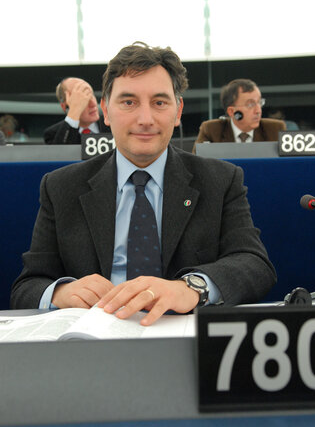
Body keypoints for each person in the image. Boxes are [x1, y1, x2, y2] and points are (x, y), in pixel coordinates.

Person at [11, 42, 276, 326]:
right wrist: (61, 293)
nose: (145, 119)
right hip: (91, 342)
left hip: (187, 337)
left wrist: (190, 288)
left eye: (159, 103)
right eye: (129, 102)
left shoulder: (221, 180)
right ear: (106, 110)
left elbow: (255, 265)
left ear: (178, 112)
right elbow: (27, 287)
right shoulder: (61, 187)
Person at [192, 79, 286, 153]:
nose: (258, 111)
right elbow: (196, 166)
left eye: (259, 103)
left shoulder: (275, 129)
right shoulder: (211, 130)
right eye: (250, 104)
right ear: (232, 112)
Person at [43, 77, 111, 144]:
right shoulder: (53, 134)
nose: (93, 104)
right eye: (83, 100)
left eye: (91, 95)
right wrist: (74, 113)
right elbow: (59, 153)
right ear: (64, 107)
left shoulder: (112, 124)